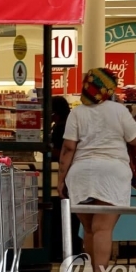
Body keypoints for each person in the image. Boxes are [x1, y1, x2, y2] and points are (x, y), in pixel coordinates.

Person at [58, 68, 136, 272]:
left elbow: (68, 149)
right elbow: (135, 140)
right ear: (109, 88)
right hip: (111, 172)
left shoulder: (77, 113)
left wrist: (61, 180)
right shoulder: (118, 110)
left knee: (88, 229)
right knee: (103, 229)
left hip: (81, 172)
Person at [51, 96, 83, 255]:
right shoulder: (70, 123)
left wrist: (48, 150)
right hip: (77, 175)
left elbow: (64, 150)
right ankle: (74, 249)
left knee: (62, 216)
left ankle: (63, 250)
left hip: (68, 175)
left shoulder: (61, 127)